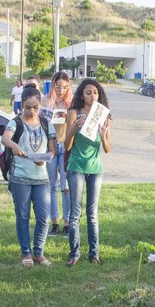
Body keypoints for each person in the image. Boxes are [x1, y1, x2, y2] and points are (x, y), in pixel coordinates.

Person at [1, 84, 55, 266]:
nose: (32, 111)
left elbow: (52, 150)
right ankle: (26, 253)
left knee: (43, 217)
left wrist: (45, 159)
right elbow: (5, 138)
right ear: (22, 105)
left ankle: (39, 252)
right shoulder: (15, 122)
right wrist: (14, 145)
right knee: (23, 216)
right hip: (20, 178)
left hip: (41, 178)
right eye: (27, 107)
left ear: (40, 105)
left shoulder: (47, 123)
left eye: (35, 107)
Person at [64, 78, 111, 266]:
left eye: (95, 93)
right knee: (75, 213)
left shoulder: (104, 116)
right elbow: (66, 145)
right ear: (81, 95)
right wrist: (73, 130)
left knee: (92, 213)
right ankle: (74, 254)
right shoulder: (74, 114)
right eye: (88, 93)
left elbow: (107, 148)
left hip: (95, 168)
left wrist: (102, 136)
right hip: (76, 166)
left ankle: (94, 254)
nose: (92, 96)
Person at [40, 71, 73, 237]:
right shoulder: (45, 100)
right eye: (58, 86)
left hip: (65, 147)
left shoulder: (71, 102)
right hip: (50, 146)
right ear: (53, 85)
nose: (61, 90)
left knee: (65, 187)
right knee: (51, 185)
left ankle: (67, 223)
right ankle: (54, 222)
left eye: (64, 87)